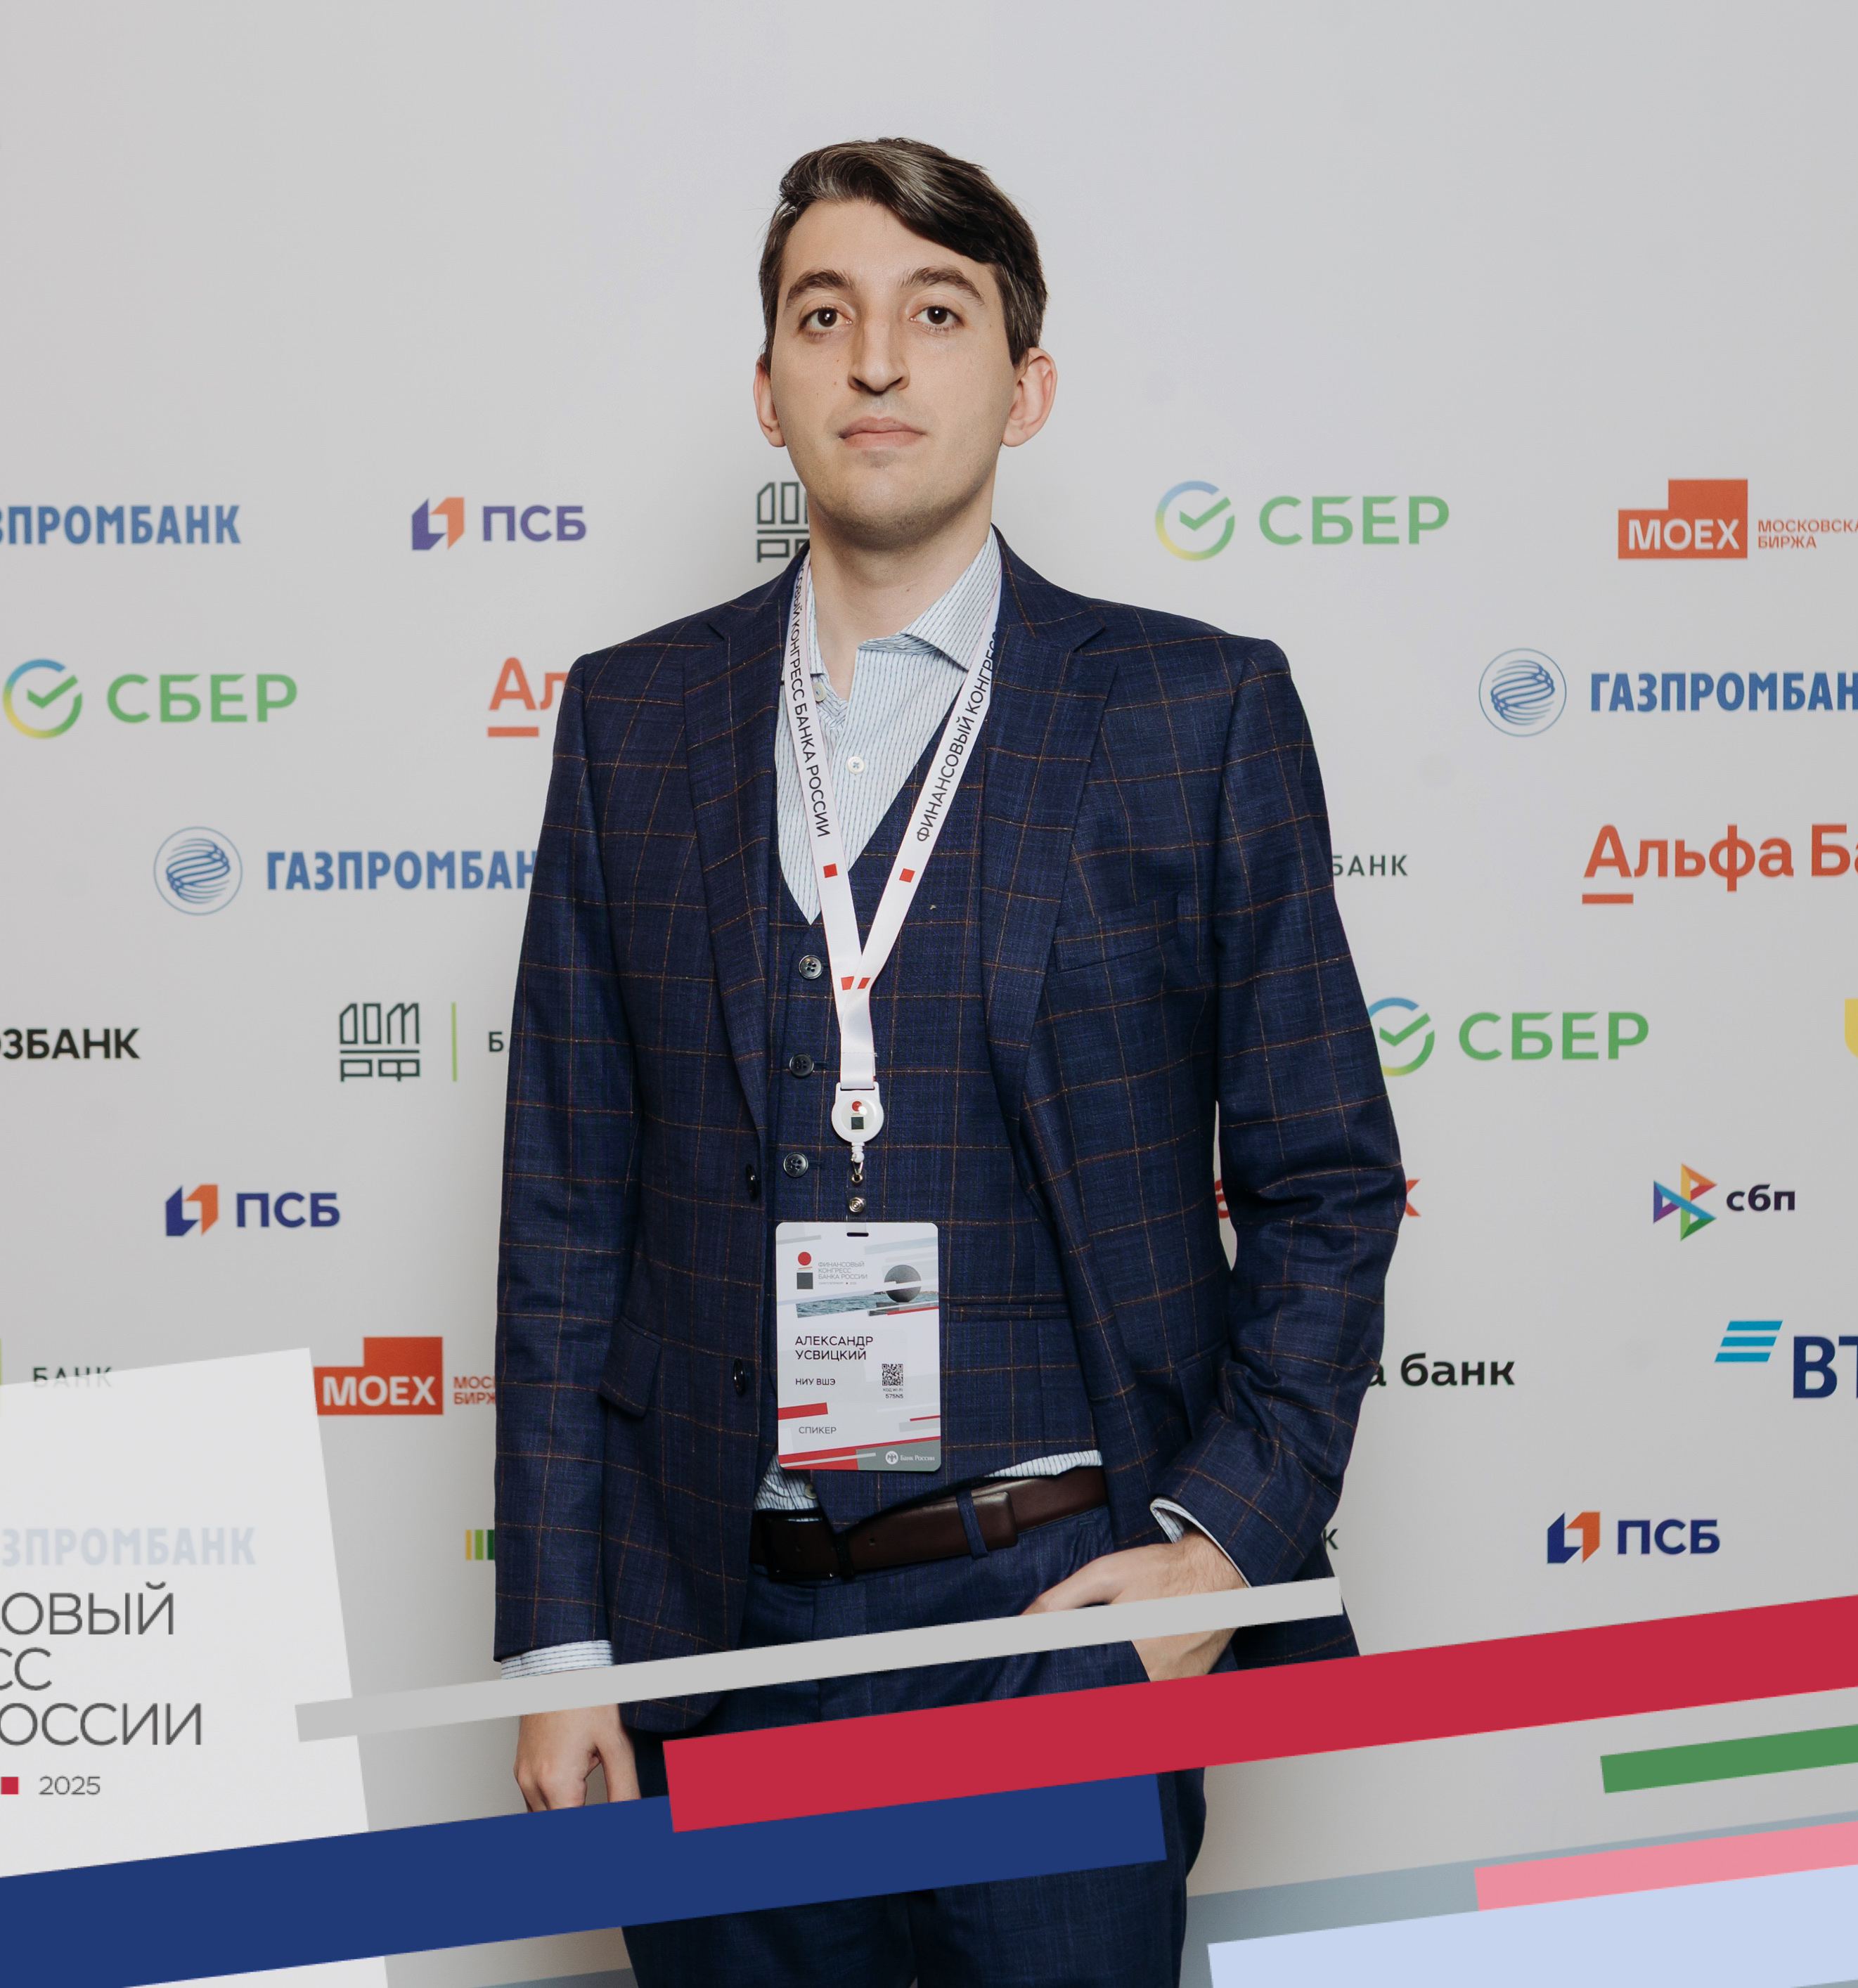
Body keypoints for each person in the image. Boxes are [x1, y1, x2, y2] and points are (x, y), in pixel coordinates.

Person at [495, 136, 1402, 1987]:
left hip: (1052, 1628)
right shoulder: (634, 720)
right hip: (723, 1642)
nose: (878, 361)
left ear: (1024, 384)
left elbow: (1327, 1178)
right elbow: (568, 1206)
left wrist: (1221, 1548)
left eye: (936, 313)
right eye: (823, 316)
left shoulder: (1193, 711)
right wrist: (563, 1642)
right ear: (768, 389)